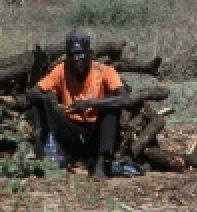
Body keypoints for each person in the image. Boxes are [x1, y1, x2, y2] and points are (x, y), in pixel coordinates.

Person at [26, 30, 133, 178]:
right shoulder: (62, 70)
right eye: (72, 56)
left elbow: (125, 99)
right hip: (71, 132)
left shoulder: (104, 71)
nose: (76, 60)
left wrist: (91, 103)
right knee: (37, 104)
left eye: (80, 55)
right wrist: (46, 100)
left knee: (111, 110)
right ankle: (42, 158)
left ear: (90, 54)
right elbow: (33, 92)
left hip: (96, 134)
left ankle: (102, 164)